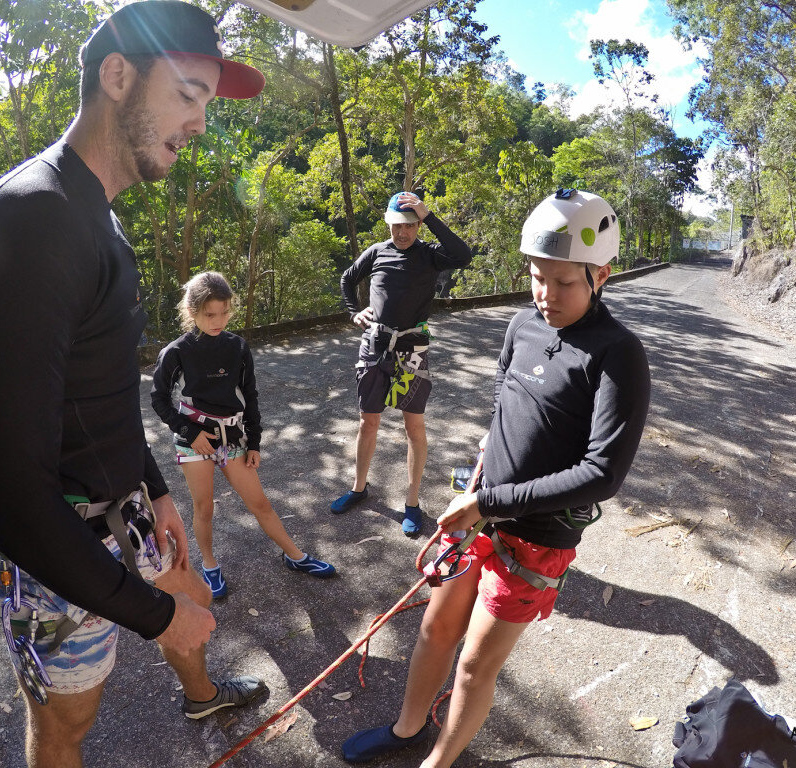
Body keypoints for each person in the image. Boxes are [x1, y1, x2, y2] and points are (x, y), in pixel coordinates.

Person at [0, 4, 270, 766]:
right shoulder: (34, 223)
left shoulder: (95, 212)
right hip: (55, 543)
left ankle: (201, 695)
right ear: (116, 75)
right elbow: (11, 501)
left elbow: (102, 388)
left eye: (208, 105)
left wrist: (154, 487)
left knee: (193, 604)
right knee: (66, 727)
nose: (198, 122)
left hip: (121, 504)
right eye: (188, 93)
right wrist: (153, 616)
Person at [340, 189, 651, 766]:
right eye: (537, 277)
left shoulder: (617, 354)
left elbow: (602, 474)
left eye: (563, 283)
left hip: (537, 536)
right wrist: (482, 469)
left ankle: (439, 762)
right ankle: (408, 729)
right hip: (480, 507)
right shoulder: (522, 325)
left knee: (476, 664)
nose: (546, 295)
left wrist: (488, 503)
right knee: (436, 630)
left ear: (600, 275)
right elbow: (503, 404)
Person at [151, 271, 337, 598]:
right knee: (204, 507)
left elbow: (250, 396)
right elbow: (159, 399)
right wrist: (189, 432)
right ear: (192, 312)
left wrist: (254, 442)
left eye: (224, 312)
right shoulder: (177, 351)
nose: (218, 320)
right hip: (194, 440)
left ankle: (296, 556)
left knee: (260, 502)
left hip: (232, 438)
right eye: (210, 314)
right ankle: (209, 565)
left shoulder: (237, 346)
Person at [330, 191, 472, 536]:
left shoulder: (430, 255)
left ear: (418, 224)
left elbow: (463, 255)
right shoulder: (377, 252)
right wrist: (354, 311)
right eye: (396, 225)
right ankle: (359, 488)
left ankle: (412, 502)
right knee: (368, 422)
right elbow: (348, 278)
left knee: (414, 427)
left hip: (413, 348)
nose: (402, 232)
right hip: (375, 345)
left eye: (409, 225)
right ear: (389, 224)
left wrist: (430, 214)